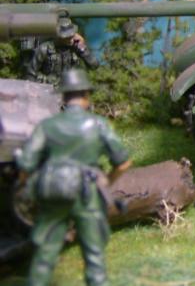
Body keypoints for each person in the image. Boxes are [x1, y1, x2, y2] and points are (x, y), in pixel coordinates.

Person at [16, 68, 131, 286]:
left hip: (53, 191)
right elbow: (123, 162)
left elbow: (26, 165)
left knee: (45, 254)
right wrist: (108, 181)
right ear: (86, 95)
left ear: (63, 96)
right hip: (87, 194)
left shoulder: (47, 125)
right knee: (94, 255)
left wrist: (26, 187)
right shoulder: (98, 124)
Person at [27, 16, 98, 86]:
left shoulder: (75, 47)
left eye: (72, 35)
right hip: (48, 88)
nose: (71, 39)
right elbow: (30, 74)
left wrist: (83, 49)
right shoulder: (45, 49)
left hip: (70, 88)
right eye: (67, 37)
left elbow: (94, 65)